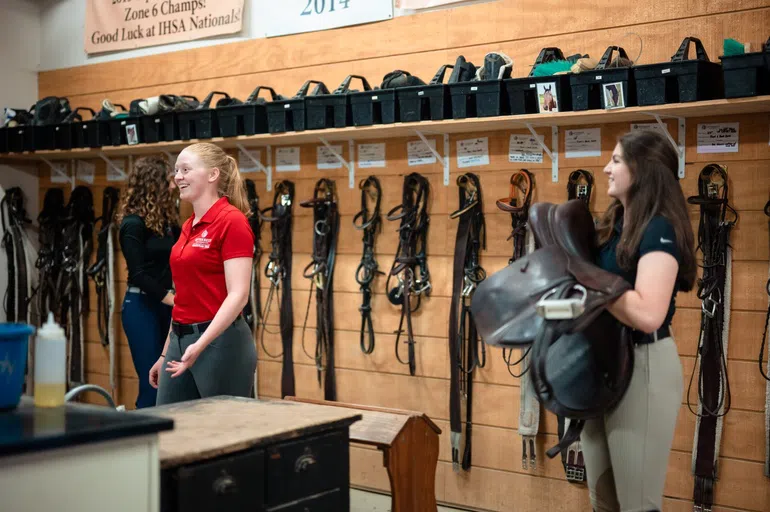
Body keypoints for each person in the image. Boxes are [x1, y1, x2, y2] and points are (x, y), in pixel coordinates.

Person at [582, 128, 697, 512]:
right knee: (603, 499)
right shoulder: (613, 226)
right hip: (604, 366)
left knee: (637, 505)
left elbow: (648, 314)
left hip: (644, 367)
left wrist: (590, 279)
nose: (606, 168)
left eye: (616, 160)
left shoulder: (659, 229)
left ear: (642, 171)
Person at [150, 142, 256, 404]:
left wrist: (201, 344)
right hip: (180, 339)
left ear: (212, 175)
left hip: (220, 343)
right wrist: (165, 354)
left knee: (223, 434)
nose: (178, 177)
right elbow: (184, 298)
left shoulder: (232, 221)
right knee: (171, 429)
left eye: (186, 169)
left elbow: (239, 295)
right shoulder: (188, 226)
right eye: (176, 171)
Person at [117, 156, 180, 409]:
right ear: (154, 185)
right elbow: (138, 273)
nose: (174, 186)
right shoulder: (132, 224)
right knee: (152, 383)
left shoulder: (168, 224)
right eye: (169, 180)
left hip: (166, 305)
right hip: (141, 306)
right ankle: (144, 444)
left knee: (171, 384)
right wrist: (171, 298)